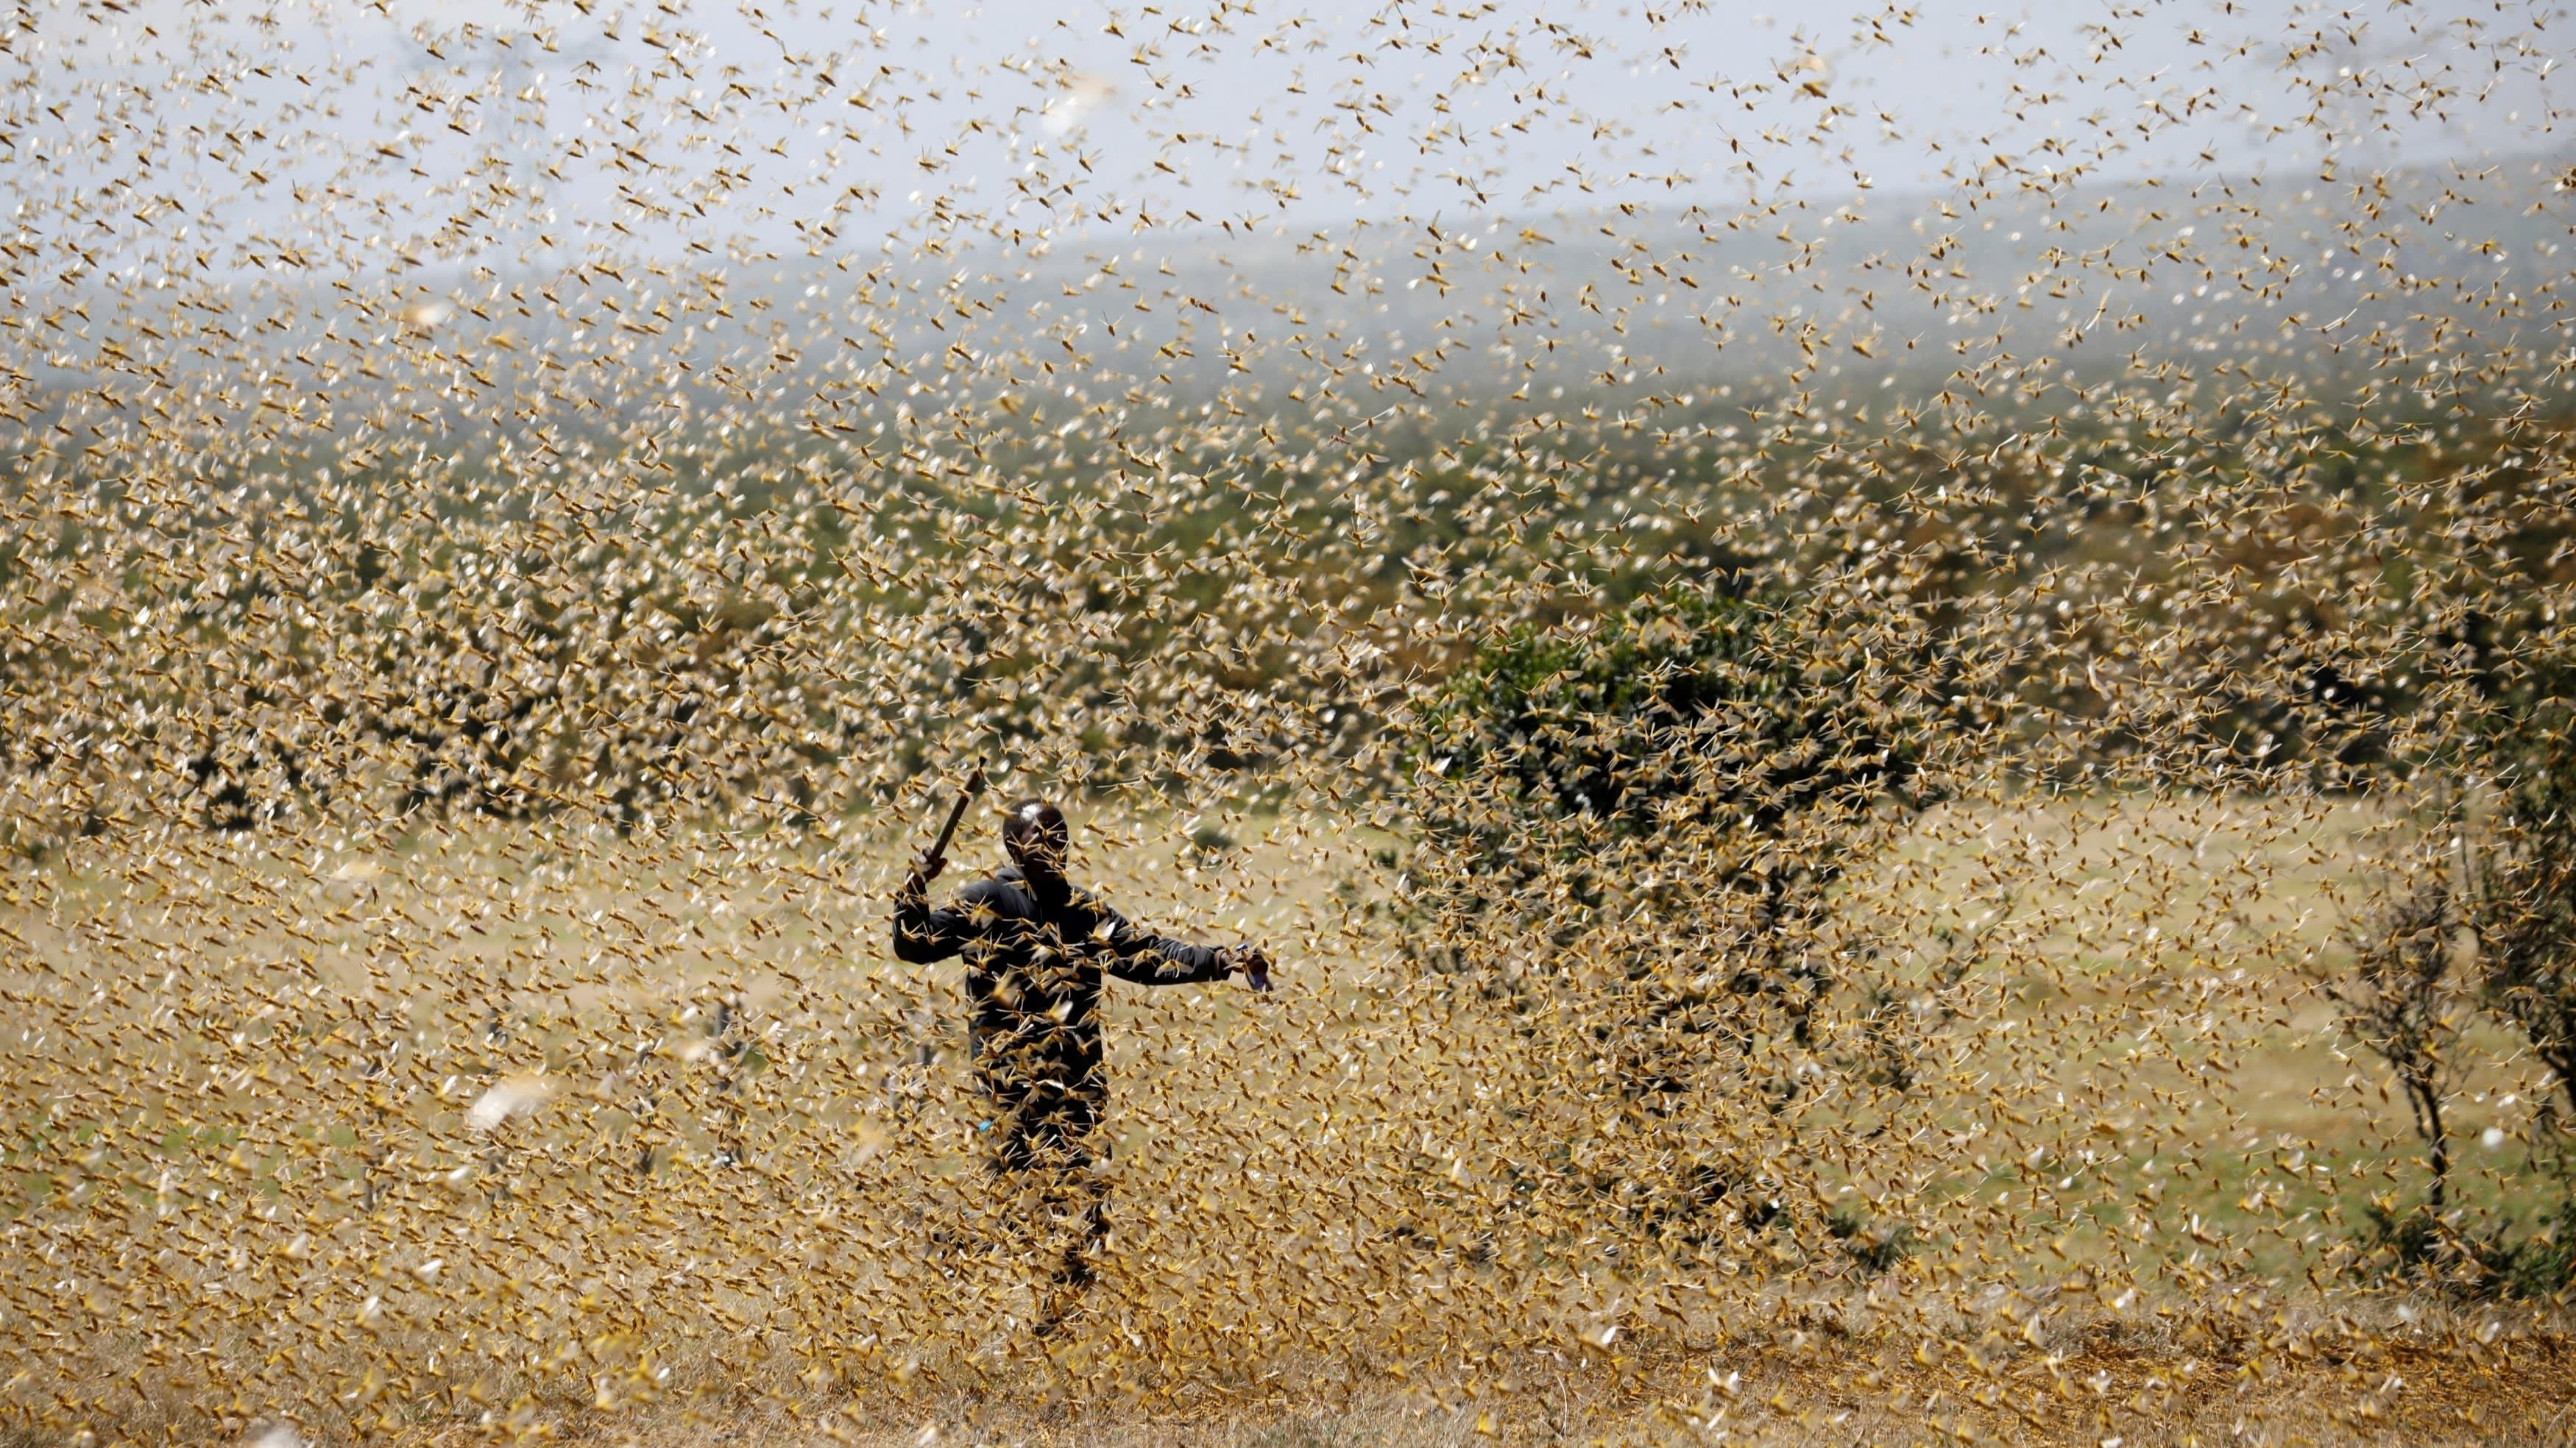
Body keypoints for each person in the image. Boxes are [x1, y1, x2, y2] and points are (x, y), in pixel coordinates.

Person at [891, 796, 1271, 1326]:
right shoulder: (987, 900)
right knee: (1025, 1216)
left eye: (1060, 837)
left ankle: (1052, 1332)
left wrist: (1216, 959)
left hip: (1078, 1090)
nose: (1053, 848)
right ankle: (984, 1291)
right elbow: (916, 945)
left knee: (1089, 1223)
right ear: (1013, 847)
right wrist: (914, 885)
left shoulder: (1081, 910)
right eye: (1040, 839)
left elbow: (1144, 953)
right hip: (1013, 1091)